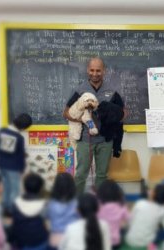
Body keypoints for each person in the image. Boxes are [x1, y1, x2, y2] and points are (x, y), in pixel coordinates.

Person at [63, 57, 124, 194]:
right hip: (85, 140)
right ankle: (77, 202)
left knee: (102, 175)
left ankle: (100, 204)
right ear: (87, 70)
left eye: (98, 70)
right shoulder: (80, 90)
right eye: (92, 70)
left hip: (105, 141)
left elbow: (124, 112)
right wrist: (83, 120)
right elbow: (66, 113)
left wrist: (114, 116)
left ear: (104, 71)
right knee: (80, 174)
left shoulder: (112, 91)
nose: (95, 73)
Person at [0, 113, 32, 214]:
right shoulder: (19, 138)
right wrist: (22, 169)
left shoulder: (2, 131)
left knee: (5, 187)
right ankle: (12, 210)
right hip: (13, 167)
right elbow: (20, 156)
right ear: (23, 127)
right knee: (14, 190)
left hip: (1, 164)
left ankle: (4, 207)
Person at [125, 184, 164, 248]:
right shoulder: (163, 210)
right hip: (147, 243)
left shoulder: (140, 203)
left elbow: (130, 221)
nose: (150, 190)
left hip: (130, 240)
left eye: (152, 190)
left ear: (153, 194)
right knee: (158, 232)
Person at [9, 173, 48, 250]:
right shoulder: (43, 205)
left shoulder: (16, 203)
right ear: (40, 189)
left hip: (21, 242)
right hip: (39, 242)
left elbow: (14, 223)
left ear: (24, 187)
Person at [46, 172, 79, 248]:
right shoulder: (77, 203)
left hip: (55, 241)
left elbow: (47, 219)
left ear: (56, 186)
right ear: (72, 186)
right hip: (73, 240)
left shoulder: (50, 204)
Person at [97, 180, 130, 248]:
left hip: (101, 242)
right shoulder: (121, 205)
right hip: (115, 242)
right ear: (117, 193)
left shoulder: (98, 204)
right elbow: (129, 219)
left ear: (100, 192)